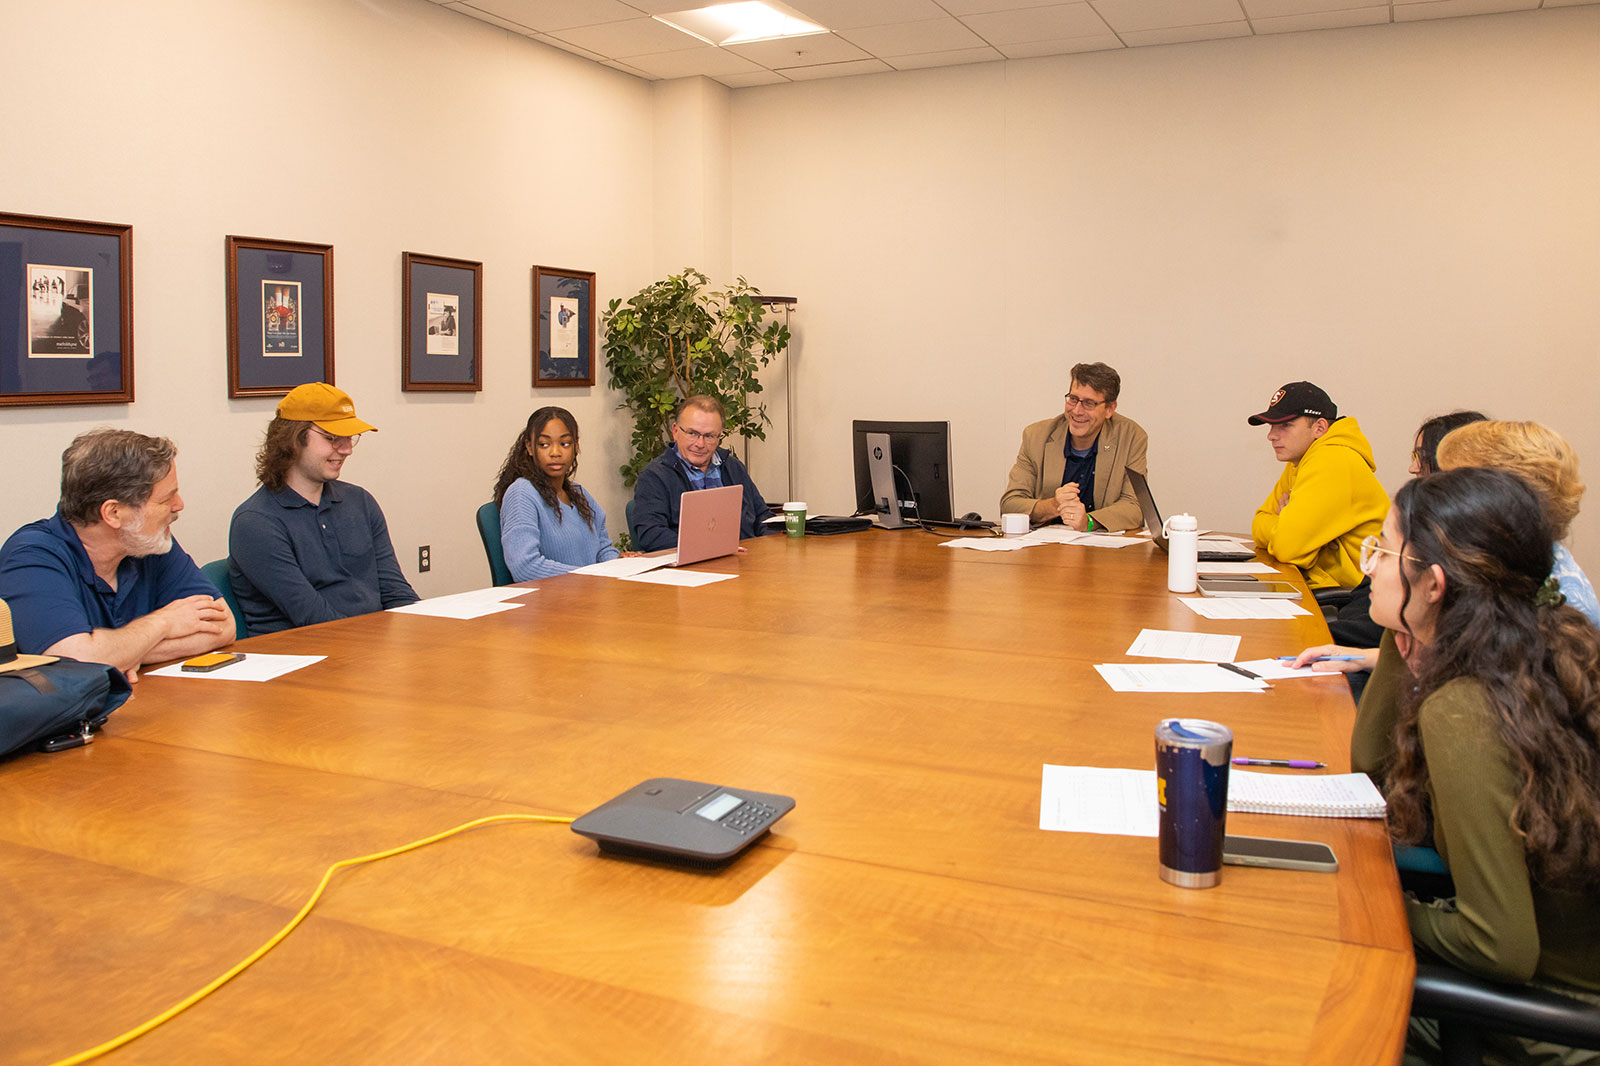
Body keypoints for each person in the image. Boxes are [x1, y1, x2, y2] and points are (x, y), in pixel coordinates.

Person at [1356, 468, 1600, 1060]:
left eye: (1383, 552)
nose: (1368, 567)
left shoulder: (1464, 710)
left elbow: (1499, 947)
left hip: (1551, 1022)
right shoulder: (1538, 647)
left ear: (1434, 583)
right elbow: (1369, 767)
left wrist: (1373, 904)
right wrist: (1403, 627)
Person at [0, 429, 234, 680]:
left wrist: (123, 655)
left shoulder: (149, 541)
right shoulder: (32, 557)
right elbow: (74, 661)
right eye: (166, 498)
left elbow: (223, 627)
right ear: (113, 513)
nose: (179, 505)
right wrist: (162, 622)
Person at [229, 382, 418, 634]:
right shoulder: (256, 522)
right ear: (293, 439)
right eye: (332, 438)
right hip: (304, 655)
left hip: (366, 647)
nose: (346, 449)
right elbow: (313, 618)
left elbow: (395, 590)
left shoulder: (360, 501)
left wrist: (422, 631)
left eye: (349, 438)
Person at [1436, 420, 1598, 626]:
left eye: (1454, 486)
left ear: (1509, 503)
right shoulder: (1495, 564)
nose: (1437, 497)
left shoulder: (1559, 610)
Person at [1247, 381, 1388, 590]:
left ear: (1319, 427)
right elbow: (1258, 523)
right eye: (1272, 426)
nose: (1271, 435)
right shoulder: (1302, 459)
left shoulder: (1332, 459)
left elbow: (1287, 547)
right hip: (1332, 586)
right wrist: (1283, 526)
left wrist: (1284, 526)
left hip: (1362, 596)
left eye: (1286, 425)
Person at [1000, 361, 1148, 531]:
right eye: (1073, 399)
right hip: (1046, 549)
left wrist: (1089, 521)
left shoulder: (1131, 437)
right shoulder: (1036, 436)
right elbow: (1010, 504)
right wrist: (1054, 505)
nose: (1077, 411)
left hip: (1104, 552)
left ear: (1109, 409)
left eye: (1089, 403)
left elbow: (1135, 507)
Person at [631, 395, 774, 553]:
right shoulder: (654, 476)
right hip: (691, 568)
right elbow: (651, 534)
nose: (700, 444)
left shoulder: (733, 467)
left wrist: (768, 545)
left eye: (709, 436)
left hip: (746, 561)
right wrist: (709, 549)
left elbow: (762, 516)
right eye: (692, 433)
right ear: (675, 431)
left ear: (719, 437)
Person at [492, 407, 622, 579]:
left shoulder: (579, 494)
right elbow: (525, 567)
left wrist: (621, 564)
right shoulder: (521, 493)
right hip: (551, 601)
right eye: (544, 445)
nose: (555, 453)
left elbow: (603, 550)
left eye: (565, 444)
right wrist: (590, 577)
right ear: (530, 448)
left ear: (576, 446)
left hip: (591, 593)